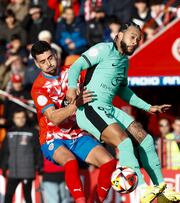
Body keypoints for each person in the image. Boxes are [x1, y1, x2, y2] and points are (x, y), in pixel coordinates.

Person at [66, 22, 180, 202]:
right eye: (132, 37)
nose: (135, 42)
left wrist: (148, 107)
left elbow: (123, 90)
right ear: (120, 35)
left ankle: (162, 192)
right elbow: (76, 67)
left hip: (108, 108)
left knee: (145, 140)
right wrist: (71, 87)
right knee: (124, 143)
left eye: (138, 40)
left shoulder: (124, 61)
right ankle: (140, 190)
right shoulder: (103, 49)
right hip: (90, 108)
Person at [30, 41, 117, 202]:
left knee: (109, 162)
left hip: (77, 134)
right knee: (70, 162)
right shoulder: (38, 88)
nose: (48, 63)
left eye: (50, 58)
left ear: (55, 55)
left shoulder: (73, 72)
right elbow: (54, 118)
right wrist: (77, 104)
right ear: (36, 64)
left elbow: (99, 73)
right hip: (52, 137)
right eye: (42, 61)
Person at [0, 110, 42, 203]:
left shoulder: (32, 132)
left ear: (26, 118)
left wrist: (39, 166)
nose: (21, 120)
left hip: (27, 171)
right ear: (14, 119)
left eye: (23, 117)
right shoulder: (9, 132)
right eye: (18, 118)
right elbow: (5, 151)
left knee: (27, 197)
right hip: (13, 172)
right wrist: (3, 167)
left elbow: (38, 150)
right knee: (8, 195)